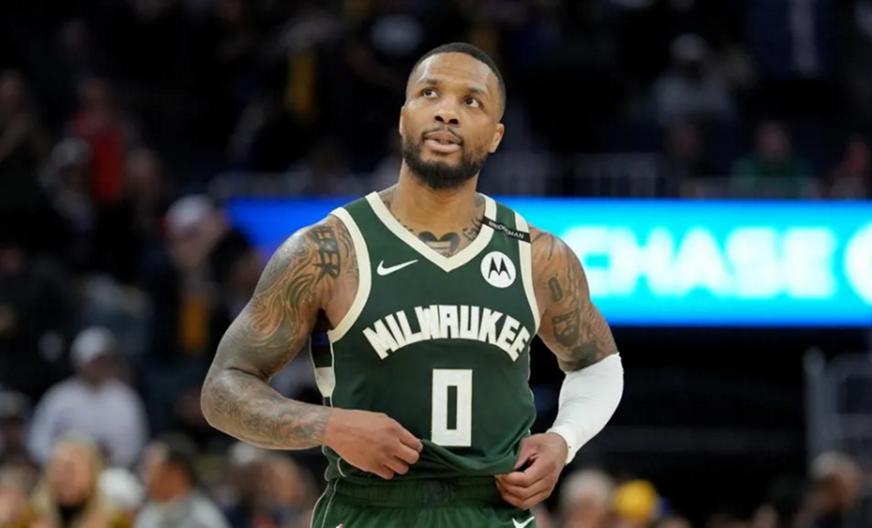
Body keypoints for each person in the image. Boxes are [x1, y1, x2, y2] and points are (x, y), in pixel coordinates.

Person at [201, 42, 625, 527]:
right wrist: (329, 425)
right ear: (403, 118)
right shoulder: (328, 251)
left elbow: (598, 364)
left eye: (471, 101)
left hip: (493, 510)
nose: (447, 112)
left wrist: (564, 439)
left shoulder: (538, 255)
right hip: (370, 510)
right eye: (430, 93)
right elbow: (222, 389)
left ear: (496, 136)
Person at [27, 326, 148, 468]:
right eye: (93, 361)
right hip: (65, 470)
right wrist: (69, 458)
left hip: (113, 470)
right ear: (79, 361)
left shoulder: (125, 398)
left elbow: (137, 444)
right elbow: (39, 442)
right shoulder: (59, 398)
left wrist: (111, 456)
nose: (97, 366)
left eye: (102, 361)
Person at [135, 435, 230, 528]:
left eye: (151, 469)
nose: (145, 477)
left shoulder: (203, 519)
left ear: (176, 473)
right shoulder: (149, 513)